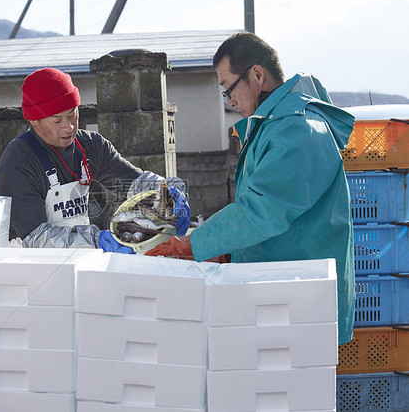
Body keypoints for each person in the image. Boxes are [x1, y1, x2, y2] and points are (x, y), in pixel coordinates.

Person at [146, 32, 355, 345]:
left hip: (302, 301)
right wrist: (227, 252)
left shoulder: (298, 129)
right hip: (284, 294)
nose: (229, 101)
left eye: (229, 88)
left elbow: (261, 211)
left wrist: (193, 244)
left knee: (295, 390)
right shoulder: (277, 125)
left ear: (257, 75)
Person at [0, 67, 190, 252]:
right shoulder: (18, 163)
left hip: (82, 256)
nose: (69, 127)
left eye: (73, 115)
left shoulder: (91, 146)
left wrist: (170, 191)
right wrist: (98, 241)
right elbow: (37, 238)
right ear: (33, 120)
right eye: (57, 120)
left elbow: (135, 183)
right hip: (31, 265)